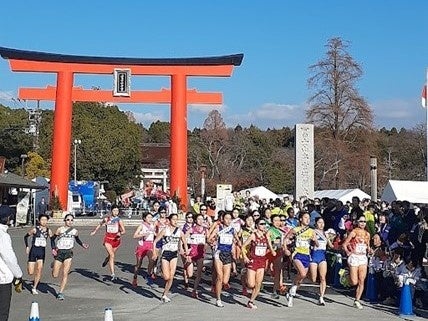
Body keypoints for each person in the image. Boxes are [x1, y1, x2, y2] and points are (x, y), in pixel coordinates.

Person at [152, 213, 189, 303]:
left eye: (177, 220)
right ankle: (160, 267)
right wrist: (154, 252)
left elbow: (184, 242)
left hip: (174, 254)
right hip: (165, 254)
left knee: (171, 276)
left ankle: (165, 294)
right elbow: (155, 241)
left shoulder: (179, 231)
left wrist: (186, 252)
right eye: (174, 219)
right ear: (169, 220)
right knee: (166, 277)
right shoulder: (165, 230)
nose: (175, 221)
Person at [207, 211, 241, 307]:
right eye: (226, 218)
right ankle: (218, 299)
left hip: (227, 254)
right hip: (218, 253)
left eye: (230, 219)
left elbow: (237, 239)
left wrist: (239, 244)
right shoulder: (218, 228)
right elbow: (209, 238)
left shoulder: (232, 229)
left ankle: (221, 287)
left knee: (225, 281)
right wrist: (212, 242)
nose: (228, 220)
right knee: (219, 276)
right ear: (222, 219)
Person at [51, 214, 89, 300]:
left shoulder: (74, 231)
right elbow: (52, 239)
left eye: (71, 220)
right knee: (55, 275)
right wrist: (53, 249)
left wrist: (82, 244)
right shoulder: (60, 229)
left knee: (65, 273)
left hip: (68, 252)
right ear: (64, 220)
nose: (70, 222)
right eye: (68, 220)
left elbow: (77, 239)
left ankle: (60, 292)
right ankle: (54, 265)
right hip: (60, 252)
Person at [284, 211, 317, 307]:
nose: (307, 220)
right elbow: (285, 240)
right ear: (301, 219)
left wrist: (315, 241)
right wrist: (286, 249)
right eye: (305, 217)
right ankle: (292, 289)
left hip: (306, 255)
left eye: (309, 218)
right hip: (296, 253)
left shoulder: (312, 231)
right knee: (302, 273)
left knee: (301, 278)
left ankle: (290, 293)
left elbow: (316, 245)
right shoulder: (295, 230)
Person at [241, 218, 276, 309]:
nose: (263, 226)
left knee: (258, 284)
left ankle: (251, 301)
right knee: (251, 284)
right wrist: (245, 257)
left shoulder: (266, 236)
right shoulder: (253, 235)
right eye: (261, 224)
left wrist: (272, 249)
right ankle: (245, 272)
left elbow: (271, 250)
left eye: (264, 224)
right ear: (257, 225)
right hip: (253, 261)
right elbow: (243, 246)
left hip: (262, 261)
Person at [342, 214, 371, 309]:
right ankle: (346, 275)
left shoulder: (367, 234)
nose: (363, 223)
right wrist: (347, 252)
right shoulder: (354, 232)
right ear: (357, 222)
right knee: (354, 282)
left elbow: (368, 246)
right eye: (361, 221)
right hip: (354, 257)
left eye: (364, 221)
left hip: (362, 257)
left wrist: (369, 250)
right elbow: (345, 244)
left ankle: (357, 300)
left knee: (361, 280)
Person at [90, 204, 125, 280]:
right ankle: (112, 273)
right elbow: (100, 224)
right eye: (114, 210)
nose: (116, 212)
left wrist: (120, 233)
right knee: (112, 255)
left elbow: (123, 230)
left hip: (116, 240)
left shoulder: (119, 220)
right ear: (111, 211)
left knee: (110, 255)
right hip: (108, 239)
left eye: (117, 211)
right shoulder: (106, 219)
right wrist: (94, 231)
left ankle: (107, 259)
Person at [0, 208, 23, 321]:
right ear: (8, 218)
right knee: (2, 313)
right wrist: (18, 275)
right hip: (2, 279)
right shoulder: (3, 235)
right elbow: (9, 258)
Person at [24, 213, 54, 294]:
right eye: (42, 220)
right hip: (33, 251)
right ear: (39, 221)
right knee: (30, 272)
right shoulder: (35, 229)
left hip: (42, 252)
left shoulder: (49, 231)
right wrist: (27, 246)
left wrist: (53, 249)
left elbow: (52, 240)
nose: (44, 222)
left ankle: (34, 287)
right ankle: (29, 264)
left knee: (39, 269)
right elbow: (25, 237)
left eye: (45, 220)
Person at [309, 217, 333, 305]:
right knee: (313, 278)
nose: (321, 224)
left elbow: (331, 246)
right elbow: (315, 243)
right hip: (314, 256)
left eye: (323, 223)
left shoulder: (325, 234)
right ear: (316, 223)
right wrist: (314, 240)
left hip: (322, 257)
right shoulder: (313, 232)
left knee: (323, 277)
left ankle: (321, 297)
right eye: (319, 222)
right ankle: (306, 272)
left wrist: (330, 238)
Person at [184, 213, 209, 298]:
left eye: (202, 219)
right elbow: (183, 238)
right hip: (192, 254)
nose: (201, 221)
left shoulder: (205, 230)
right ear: (195, 220)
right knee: (190, 274)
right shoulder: (192, 229)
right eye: (199, 219)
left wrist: (209, 243)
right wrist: (186, 248)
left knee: (199, 274)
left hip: (200, 254)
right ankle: (186, 267)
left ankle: (194, 290)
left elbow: (208, 239)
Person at [132, 212, 156, 287]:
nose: (150, 219)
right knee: (139, 264)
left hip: (150, 245)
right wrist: (143, 234)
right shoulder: (142, 225)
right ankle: (135, 277)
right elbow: (135, 236)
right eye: (148, 217)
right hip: (142, 245)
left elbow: (155, 234)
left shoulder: (152, 226)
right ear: (144, 218)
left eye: (151, 217)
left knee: (152, 260)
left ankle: (148, 274)